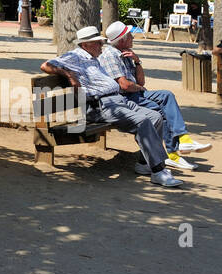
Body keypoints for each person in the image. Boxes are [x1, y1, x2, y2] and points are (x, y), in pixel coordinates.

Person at [41, 25, 183, 188]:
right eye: (98, 43)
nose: (102, 46)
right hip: (100, 105)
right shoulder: (75, 56)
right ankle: (158, 171)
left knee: (155, 117)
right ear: (86, 45)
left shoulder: (92, 57)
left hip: (116, 101)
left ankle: (145, 163)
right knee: (143, 121)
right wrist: (69, 75)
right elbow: (45, 65)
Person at [101, 22, 212, 173]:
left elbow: (141, 81)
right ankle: (172, 153)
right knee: (161, 112)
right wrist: (139, 88)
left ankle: (183, 141)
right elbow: (125, 86)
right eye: (129, 35)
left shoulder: (126, 53)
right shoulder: (110, 55)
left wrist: (137, 61)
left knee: (167, 95)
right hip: (125, 98)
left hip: (136, 93)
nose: (133, 37)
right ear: (121, 40)